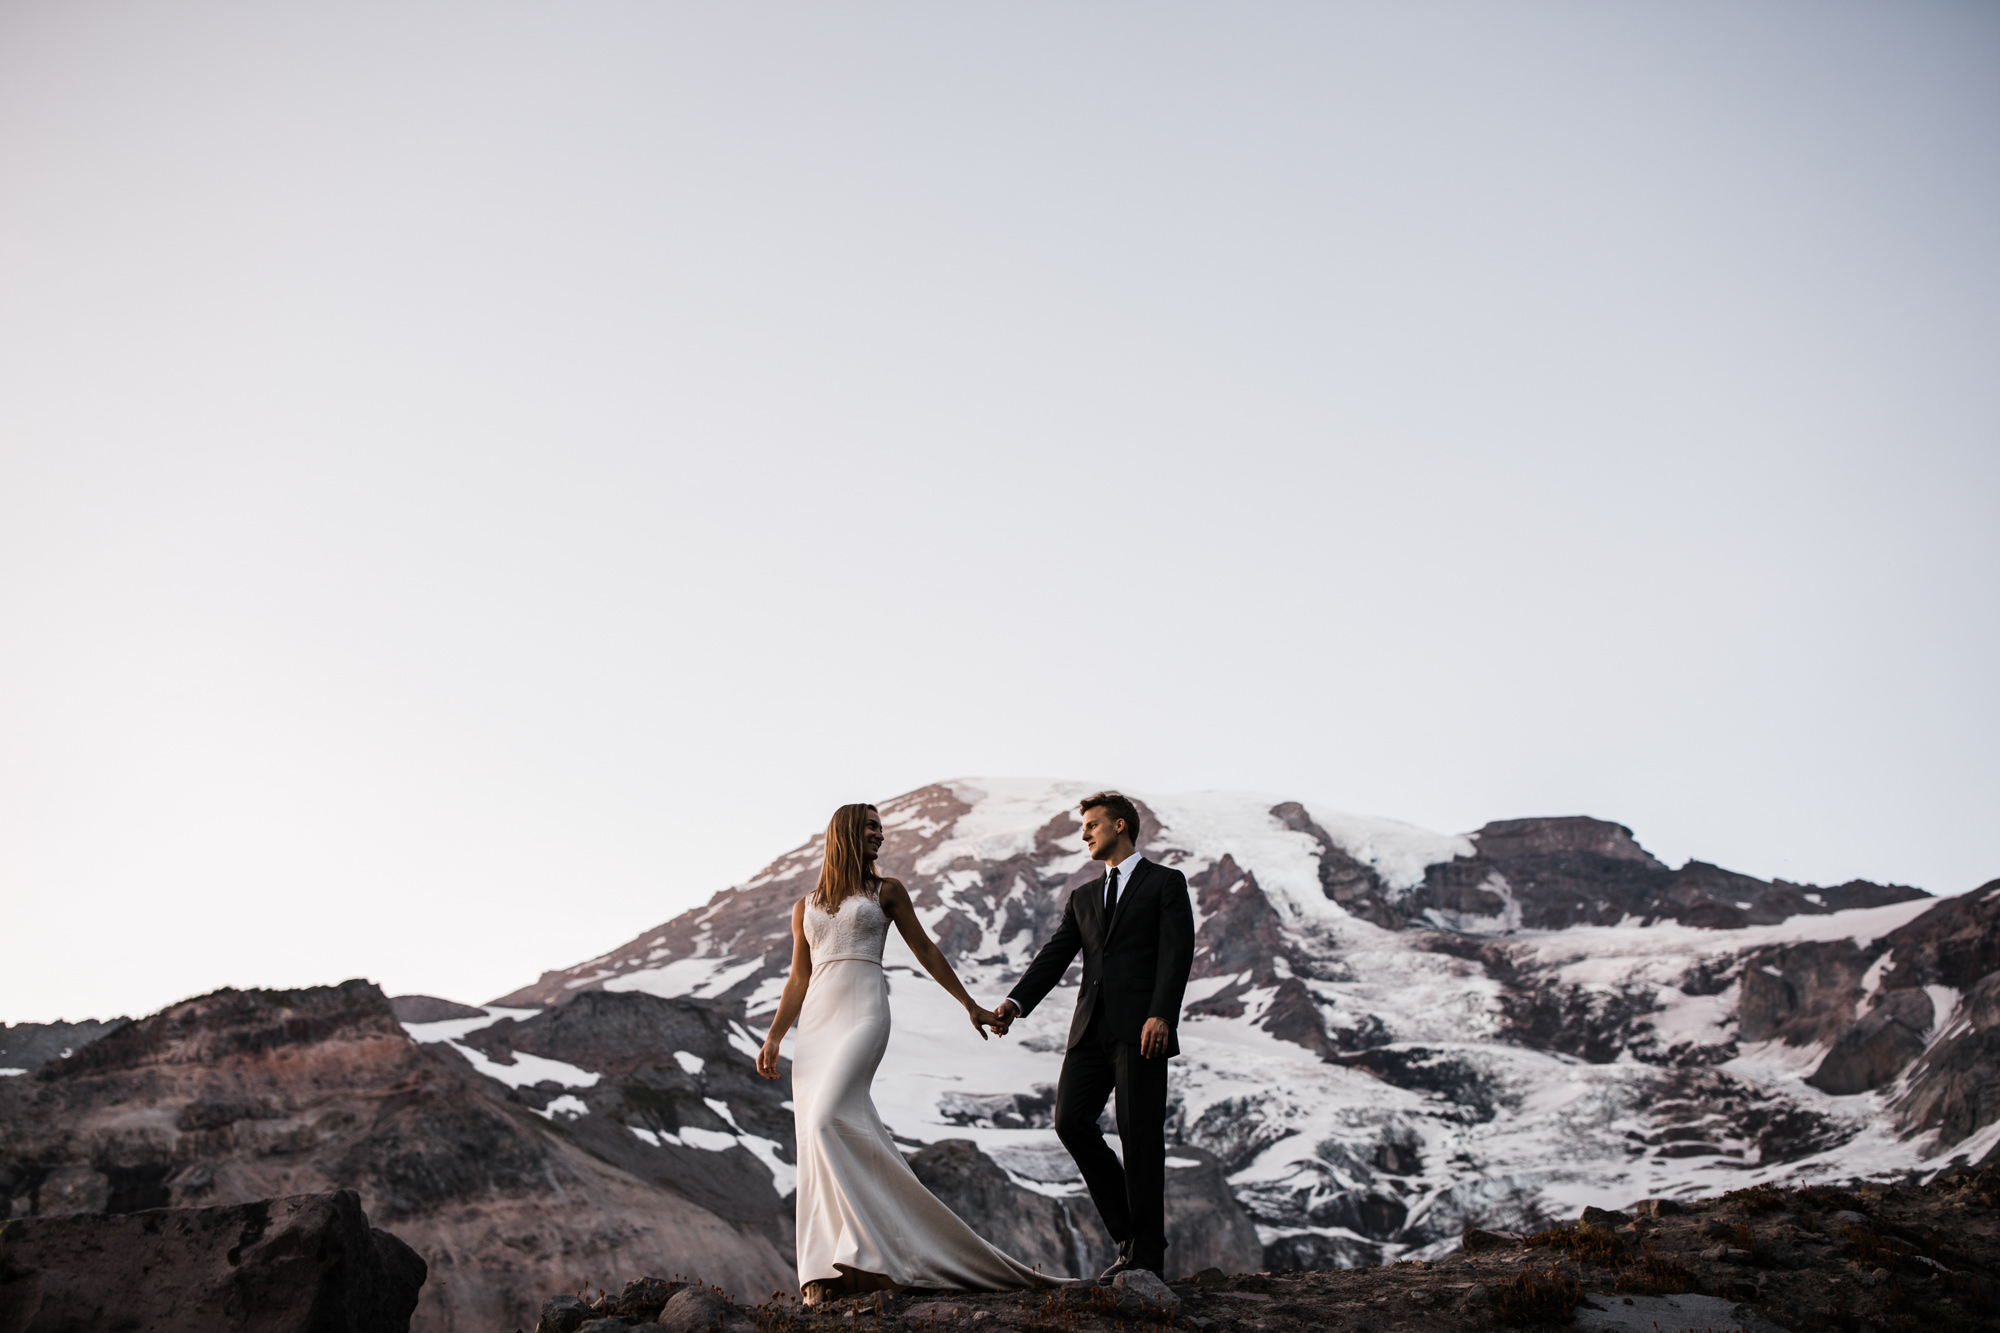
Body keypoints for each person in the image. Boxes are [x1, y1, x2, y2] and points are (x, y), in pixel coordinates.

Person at [756, 803, 1054, 1305]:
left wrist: (969, 1005)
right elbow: (798, 978)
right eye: (871, 827)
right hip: (816, 1029)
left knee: (828, 1120)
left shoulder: (886, 891)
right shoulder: (804, 905)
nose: (881, 835)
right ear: (848, 832)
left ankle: (873, 1250)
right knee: (815, 1138)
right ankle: (827, 1272)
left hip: (864, 1015)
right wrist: (774, 1036)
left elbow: (926, 950)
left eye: (881, 827)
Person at [990, 791, 1195, 1282]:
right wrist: (1014, 1005)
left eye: (1092, 825)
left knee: (1139, 1136)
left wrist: (1162, 1014)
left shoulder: (1165, 883)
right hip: (1088, 1031)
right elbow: (1054, 956)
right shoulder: (1082, 897)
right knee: (1070, 1122)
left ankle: (1146, 1256)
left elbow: (1177, 952)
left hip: (1142, 1029)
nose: (1084, 834)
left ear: (1120, 825)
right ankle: (1130, 1233)